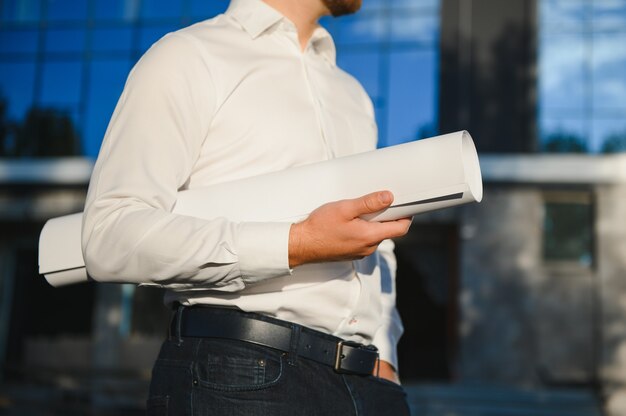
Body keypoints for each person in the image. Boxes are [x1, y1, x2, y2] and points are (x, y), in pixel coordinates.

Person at [81, 0, 412, 414]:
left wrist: (385, 356)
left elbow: (376, 241)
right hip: (238, 375)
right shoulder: (188, 55)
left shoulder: (353, 94)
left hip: (368, 386)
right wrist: (299, 242)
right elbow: (110, 234)